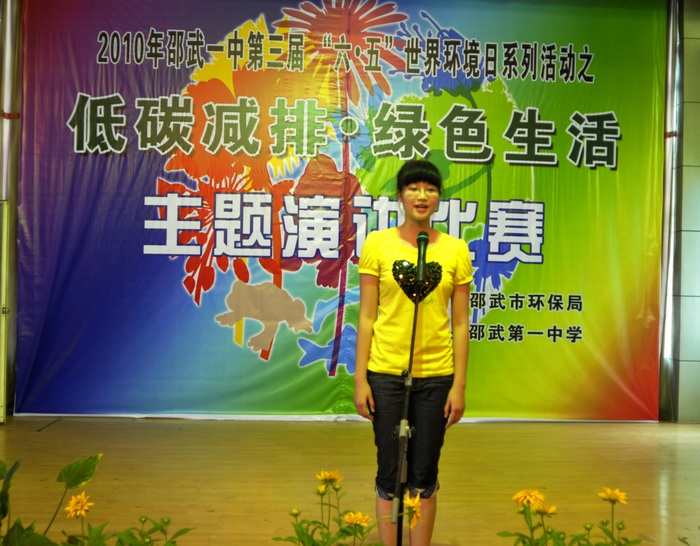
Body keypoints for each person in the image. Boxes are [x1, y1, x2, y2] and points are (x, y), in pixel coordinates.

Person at [354, 159, 472, 545]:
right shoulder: (377, 244)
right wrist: (360, 380)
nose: (422, 196)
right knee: (389, 473)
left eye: (430, 189)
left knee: (424, 474)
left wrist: (458, 386)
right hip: (386, 374)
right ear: (400, 195)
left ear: (439, 197)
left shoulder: (456, 250)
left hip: (437, 377)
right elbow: (367, 317)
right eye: (414, 188)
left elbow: (460, 324)